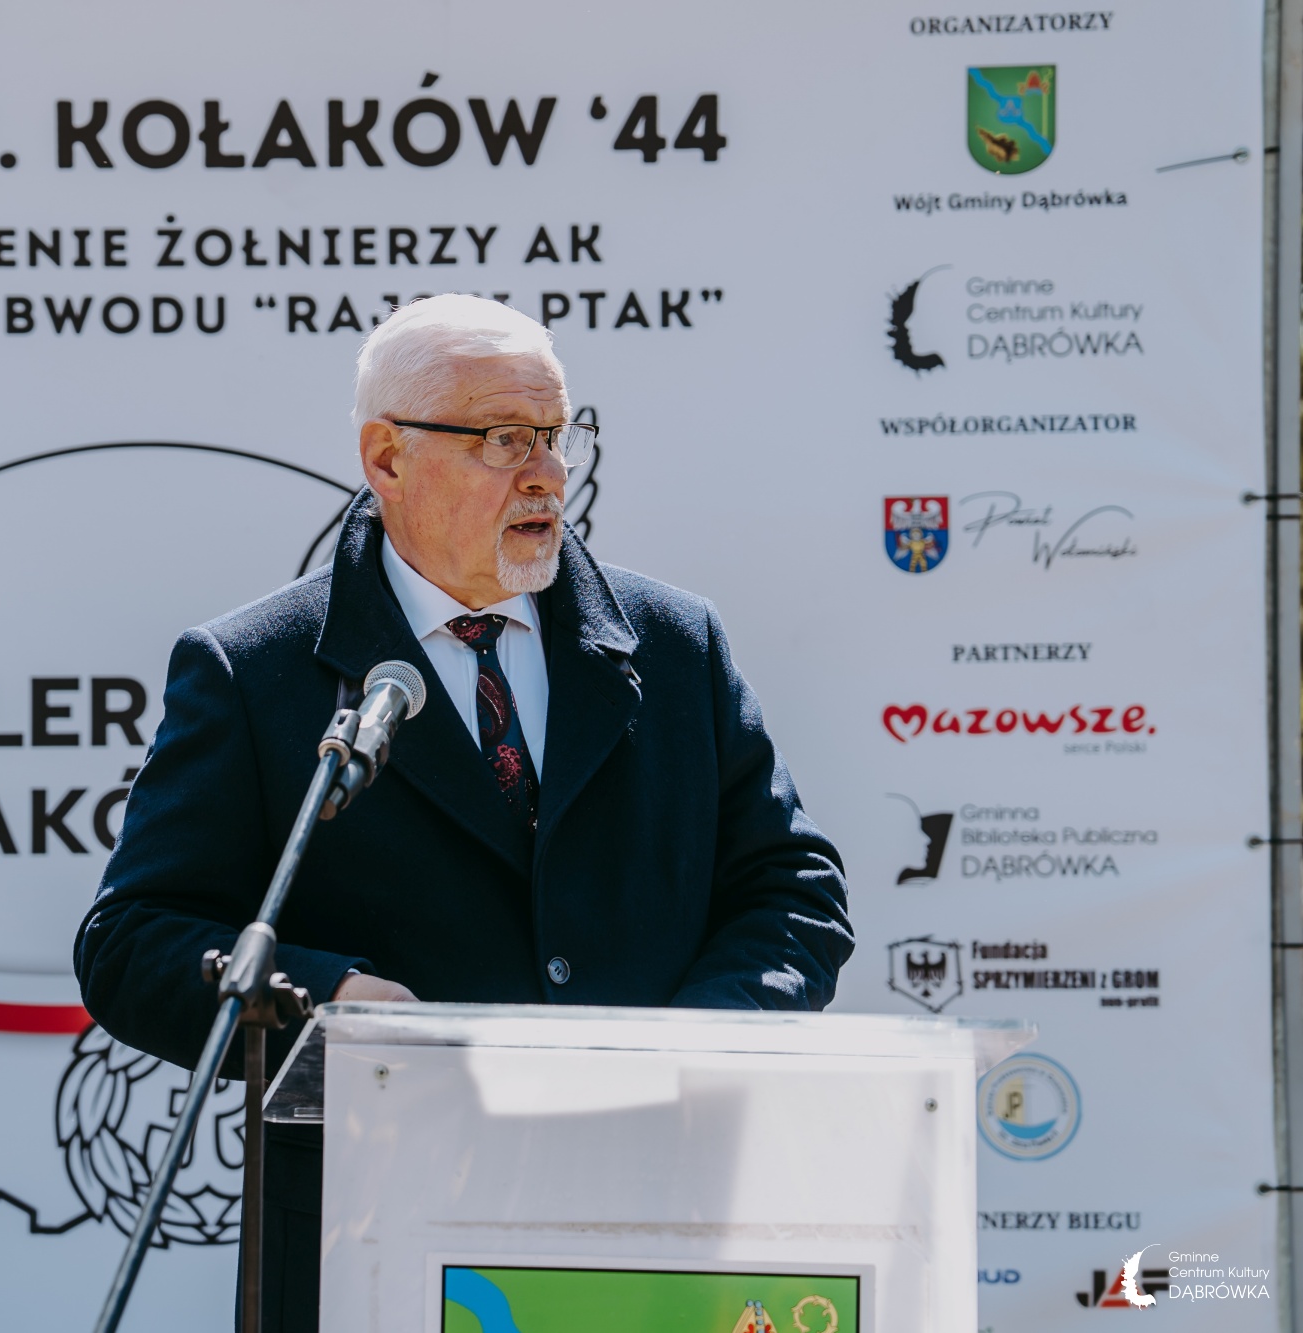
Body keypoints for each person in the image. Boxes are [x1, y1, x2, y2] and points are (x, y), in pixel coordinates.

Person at [72, 293, 852, 1332]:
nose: (546, 472)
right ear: (386, 458)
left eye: (556, 433)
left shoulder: (674, 645)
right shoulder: (254, 672)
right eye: (501, 438)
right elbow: (131, 940)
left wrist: (691, 1048)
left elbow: (792, 892)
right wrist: (331, 1000)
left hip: (652, 1213)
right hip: (377, 1233)